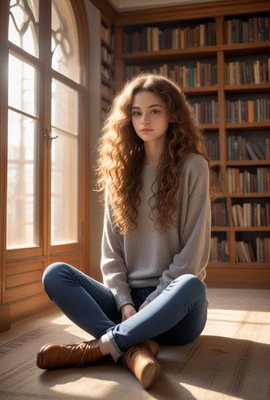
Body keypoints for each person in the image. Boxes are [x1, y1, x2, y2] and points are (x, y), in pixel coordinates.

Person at [36, 73, 212, 390]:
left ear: (172, 114)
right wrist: (124, 303)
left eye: (154, 110)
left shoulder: (192, 167)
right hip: (126, 307)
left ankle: (98, 349)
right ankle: (134, 351)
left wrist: (154, 300)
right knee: (55, 273)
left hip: (175, 310)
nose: (144, 119)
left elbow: (192, 258)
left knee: (191, 284)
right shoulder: (121, 170)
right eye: (136, 112)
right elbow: (111, 255)